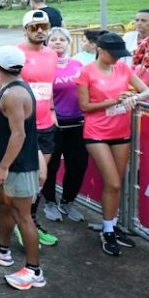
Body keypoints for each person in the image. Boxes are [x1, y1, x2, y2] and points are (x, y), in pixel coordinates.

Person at [0, 47, 47, 290]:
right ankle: (2, 251)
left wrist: (3, 166)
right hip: (13, 163)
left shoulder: (13, 94)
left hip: (19, 166)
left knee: (23, 217)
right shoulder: (11, 88)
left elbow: (19, 134)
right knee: (5, 207)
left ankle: (34, 271)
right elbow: (0, 112)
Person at [77, 33, 149, 256]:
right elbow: (84, 106)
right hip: (96, 133)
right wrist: (114, 101)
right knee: (113, 182)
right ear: (100, 50)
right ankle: (108, 230)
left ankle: (111, 226)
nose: (118, 59)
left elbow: (147, 91)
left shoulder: (123, 68)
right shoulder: (86, 72)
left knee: (115, 184)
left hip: (121, 133)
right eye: (114, 54)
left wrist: (134, 98)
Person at [17, 9, 60, 247]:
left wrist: (52, 111)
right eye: (34, 27)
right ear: (25, 30)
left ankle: (30, 220)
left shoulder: (52, 54)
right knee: (37, 175)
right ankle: (22, 223)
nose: (40, 31)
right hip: (23, 125)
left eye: (44, 26)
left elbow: (48, 87)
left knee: (40, 181)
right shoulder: (16, 53)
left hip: (45, 124)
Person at [41, 28, 88, 223]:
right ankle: (50, 202)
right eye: (53, 40)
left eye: (62, 39)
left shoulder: (78, 64)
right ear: (47, 43)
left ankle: (68, 201)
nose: (58, 42)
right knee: (50, 167)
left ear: (69, 43)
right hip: (53, 125)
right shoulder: (43, 67)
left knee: (77, 165)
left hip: (78, 123)